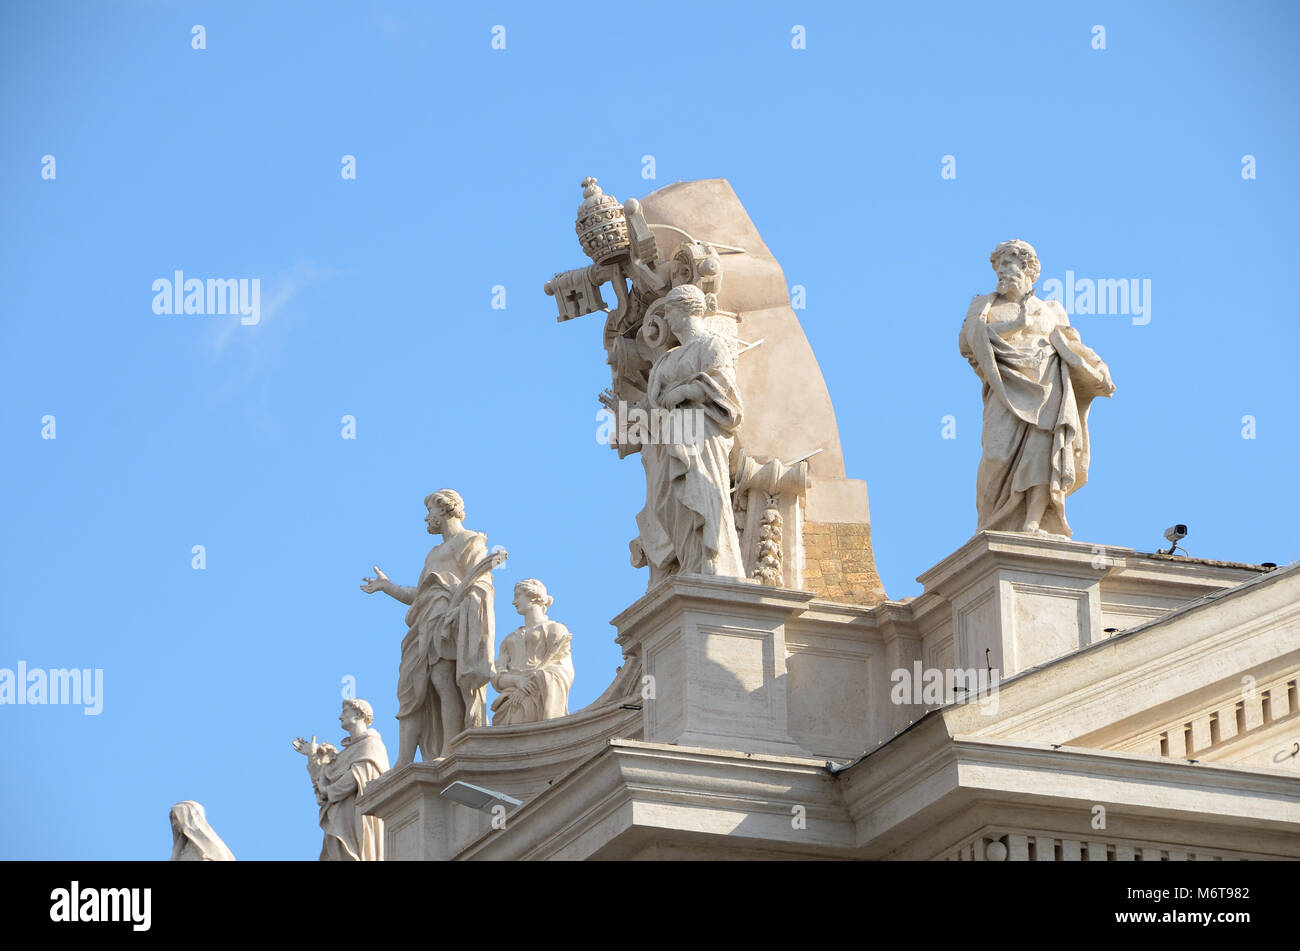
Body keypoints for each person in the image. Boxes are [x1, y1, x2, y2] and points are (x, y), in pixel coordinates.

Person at [959, 240, 1115, 537]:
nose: (1001, 273)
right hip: (1004, 388)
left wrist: (1095, 369)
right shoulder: (985, 304)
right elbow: (967, 343)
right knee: (996, 454)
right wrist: (1016, 323)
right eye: (998, 267)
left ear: (1027, 269)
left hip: (1047, 385)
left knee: (1043, 452)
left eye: (1008, 265)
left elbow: (1073, 346)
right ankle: (989, 523)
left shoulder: (1051, 309)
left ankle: (1033, 521)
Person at [361, 489, 504, 764]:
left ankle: (453, 746)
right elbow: (423, 594)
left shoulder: (470, 540)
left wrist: (460, 612)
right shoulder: (434, 553)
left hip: (450, 620)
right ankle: (431, 751)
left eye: (430, 511)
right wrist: (388, 587)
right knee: (422, 687)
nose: (427, 518)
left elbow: (479, 583)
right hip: (426, 623)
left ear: (445, 509)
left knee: (444, 681)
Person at [292, 698, 390, 861]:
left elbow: (355, 778)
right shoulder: (345, 754)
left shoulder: (372, 745)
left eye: (345, 711)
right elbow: (323, 780)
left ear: (359, 714)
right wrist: (313, 756)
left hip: (357, 819)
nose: (340, 716)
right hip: (339, 819)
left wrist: (328, 791)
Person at [491, 579, 575, 725]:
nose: (513, 602)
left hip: (538, 696)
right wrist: (518, 681)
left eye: (518, 596)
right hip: (511, 701)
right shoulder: (509, 639)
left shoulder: (555, 630)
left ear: (533, 596)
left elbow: (563, 670)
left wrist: (534, 682)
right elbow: (498, 677)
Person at [169, 800, 236, 861]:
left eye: (176, 818)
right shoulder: (181, 852)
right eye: (173, 819)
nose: (174, 823)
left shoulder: (213, 846)